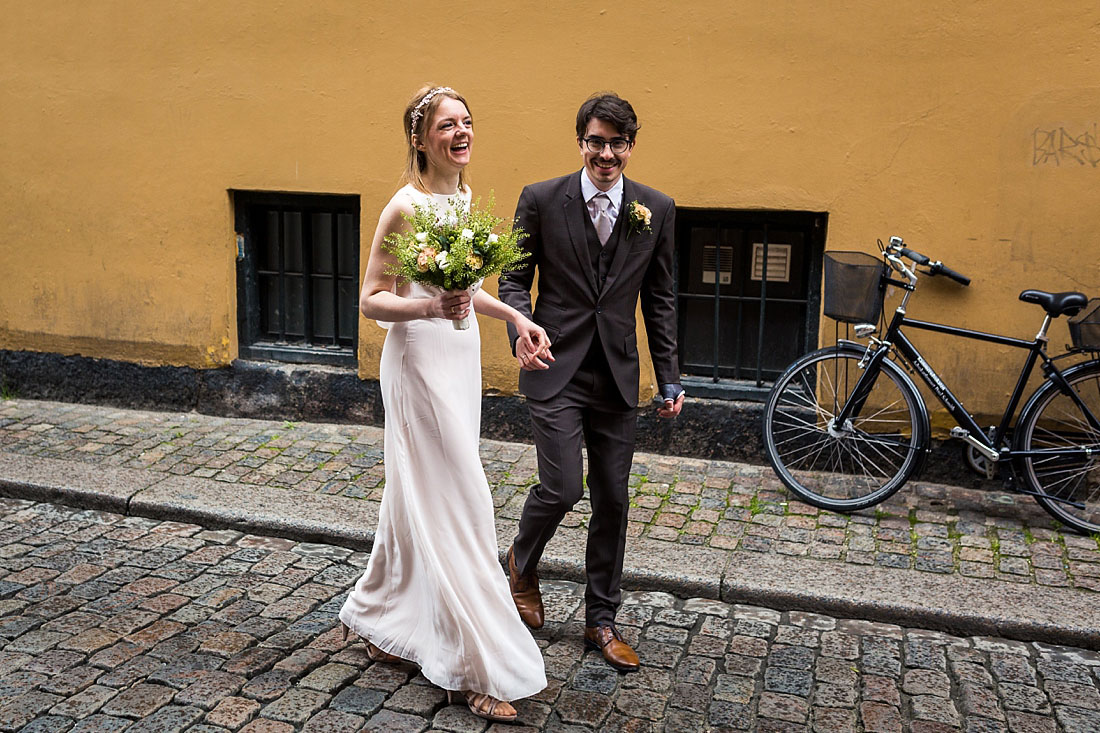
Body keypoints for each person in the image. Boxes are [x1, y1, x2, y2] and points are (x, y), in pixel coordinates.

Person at [338, 85, 548, 723]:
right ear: (421, 139)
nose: (462, 133)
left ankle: (379, 616)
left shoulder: (460, 200)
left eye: (468, 122)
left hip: (457, 362)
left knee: (414, 496)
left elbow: (469, 290)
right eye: (448, 125)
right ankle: (472, 665)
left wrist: (515, 316)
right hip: (416, 360)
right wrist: (429, 304)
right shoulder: (404, 205)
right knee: (463, 499)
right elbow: (373, 299)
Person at [498, 92, 685, 673]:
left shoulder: (656, 207)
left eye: (617, 144)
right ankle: (521, 563)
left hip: (617, 378)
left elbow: (660, 300)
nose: (606, 154)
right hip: (554, 368)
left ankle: (601, 621)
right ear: (580, 141)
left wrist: (671, 379)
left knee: (613, 499)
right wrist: (521, 332)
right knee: (562, 489)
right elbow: (512, 281)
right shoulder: (541, 199)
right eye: (596, 142)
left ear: (631, 146)